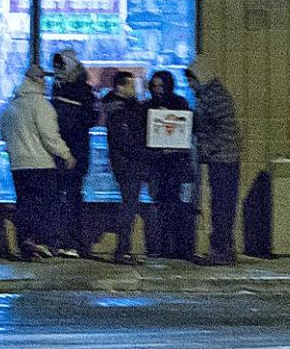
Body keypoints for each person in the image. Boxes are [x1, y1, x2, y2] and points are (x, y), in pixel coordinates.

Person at [1, 64, 76, 261]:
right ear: (38, 80)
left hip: (18, 165)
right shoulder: (41, 105)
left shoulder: (12, 106)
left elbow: (4, 133)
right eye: (44, 79)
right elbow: (49, 136)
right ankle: (41, 242)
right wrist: (66, 155)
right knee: (45, 206)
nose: (46, 83)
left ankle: (26, 242)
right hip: (41, 165)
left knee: (25, 205)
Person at [185, 58, 241, 266]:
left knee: (222, 206)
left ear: (200, 78)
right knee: (220, 205)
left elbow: (224, 130)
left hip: (223, 159)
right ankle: (223, 249)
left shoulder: (215, 96)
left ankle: (222, 251)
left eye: (192, 81)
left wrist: (205, 150)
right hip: (221, 158)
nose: (190, 86)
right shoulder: (209, 94)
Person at [50, 49, 98, 258]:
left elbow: (91, 118)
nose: (57, 71)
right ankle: (60, 240)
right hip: (60, 152)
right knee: (60, 198)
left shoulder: (83, 92)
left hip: (76, 153)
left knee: (72, 198)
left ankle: (73, 241)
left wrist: (70, 117)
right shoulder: (58, 88)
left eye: (61, 66)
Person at [145, 71, 195, 259]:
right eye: (154, 86)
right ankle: (166, 247)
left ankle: (183, 248)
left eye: (161, 86)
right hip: (160, 166)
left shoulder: (179, 103)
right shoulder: (149, 106)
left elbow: (186, 129)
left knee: (182, 208)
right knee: (163, 208)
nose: (158, 90)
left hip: (178, 166)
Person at [102, 71, 148, 265]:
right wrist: (146, 154)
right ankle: (122, 249)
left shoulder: (127, 107)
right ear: (120, 87)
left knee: (130, 205)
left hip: (128, 162)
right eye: (130, 85)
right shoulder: (119, 110)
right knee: (128, 206)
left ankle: (124, 248)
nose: (134, 89)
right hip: (128, 163)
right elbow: (125, 140)